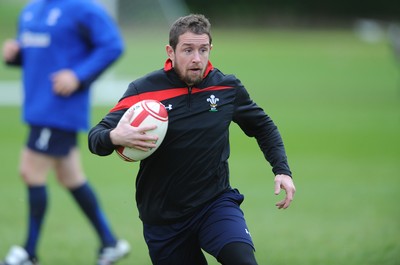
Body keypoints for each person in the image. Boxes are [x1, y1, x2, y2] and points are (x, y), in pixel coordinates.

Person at [88, 14, 296, 265]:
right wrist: (115, 136)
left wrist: (282, 170)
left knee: (242, 260)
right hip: (163, 218)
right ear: (171, 51)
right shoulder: (144, 91)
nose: (197, 58)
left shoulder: (226, 88)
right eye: (187, 50)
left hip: (215, 204)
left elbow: (263, 126)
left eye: (203, 49)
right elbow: (95, 138)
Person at [1, 0, 131, 264]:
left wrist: (77, 75)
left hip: (59, 108)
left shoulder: (83, 8)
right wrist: (16, 55)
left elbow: (113, 45)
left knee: (30, 170)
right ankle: (110, 243)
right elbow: (41, 53)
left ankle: (29, 252)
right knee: (70, 177)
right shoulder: (31, 9)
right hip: (37, 106)